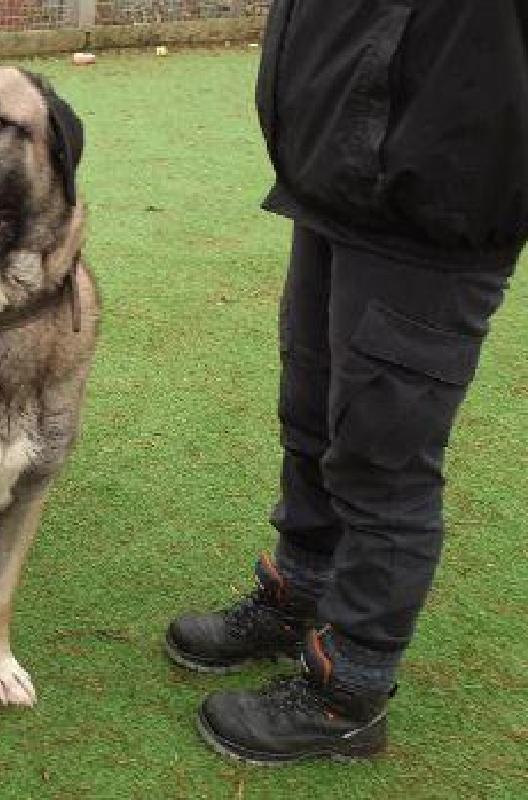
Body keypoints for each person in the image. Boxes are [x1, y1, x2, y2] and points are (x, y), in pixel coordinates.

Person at [164, 1, 528, 764]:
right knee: (311, 418)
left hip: (438, 202)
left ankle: (350, 693)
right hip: (338, 175)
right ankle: (299, 595)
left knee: (383, 461)